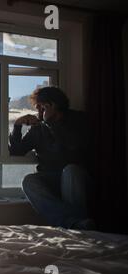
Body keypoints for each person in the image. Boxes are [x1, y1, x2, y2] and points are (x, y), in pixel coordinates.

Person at [9, 86, 95, 230]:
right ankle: (74, 222)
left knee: (70, 170)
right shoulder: (38, 128)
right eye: (38, 108)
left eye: (43, 107)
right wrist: (17, 126)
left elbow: (73, 145)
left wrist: (51, 123)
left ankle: (73, 223)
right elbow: (17, 151)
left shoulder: (77, 119)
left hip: (76, 177)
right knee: (29, 180)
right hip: (50, 178)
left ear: (54, 105)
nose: (39, 112)